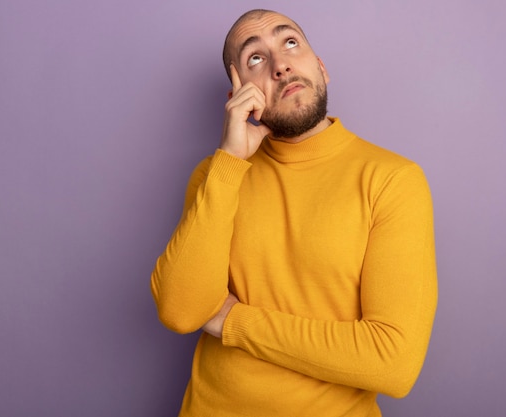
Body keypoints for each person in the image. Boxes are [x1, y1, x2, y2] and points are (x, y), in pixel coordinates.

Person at [151, 9, 438, 417]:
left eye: (290, 44)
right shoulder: (217, 175)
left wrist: (234, 321)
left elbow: (394, 363)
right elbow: (181, 311)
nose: (280, 64)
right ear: (237, 96)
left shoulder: (392, 180)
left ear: (320, 67)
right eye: (255, 58)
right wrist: (230, 161)